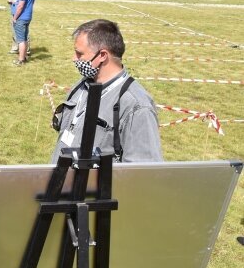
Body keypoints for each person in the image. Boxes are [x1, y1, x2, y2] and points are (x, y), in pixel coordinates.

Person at [50, 19, 163, 163]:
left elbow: (141, 174)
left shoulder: (136, 107)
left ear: (102, 55)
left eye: (79, 54)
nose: (74, 59)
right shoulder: (82, 84)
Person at [12, 0, 36, 66]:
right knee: (25, 38)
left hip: (21, 18)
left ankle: (21, 60)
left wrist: (15, 18)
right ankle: (24, 57)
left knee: (21, 39)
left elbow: (20, 6)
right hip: (28, 16)